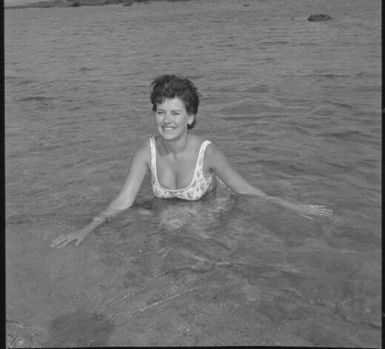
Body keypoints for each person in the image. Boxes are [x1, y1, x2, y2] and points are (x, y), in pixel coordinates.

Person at [51, 75, 332, 248]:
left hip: (211, 206)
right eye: (161, 112)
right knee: (154, 232)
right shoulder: (145, 151)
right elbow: (123, 201)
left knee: (191, 242)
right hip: (174, 208)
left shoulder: (208, 153)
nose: (167, 121)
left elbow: (246, 190)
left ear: (191, 117)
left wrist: (293, 207)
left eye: (175, 113)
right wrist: (86, 229)